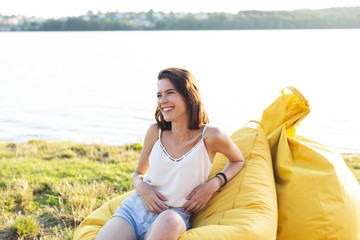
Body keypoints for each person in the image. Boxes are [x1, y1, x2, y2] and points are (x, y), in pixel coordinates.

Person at [95, 67, 245, 240]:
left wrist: (213, 185)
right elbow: (138, 173)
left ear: (188, 96)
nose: (162, 100)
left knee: (170, 221)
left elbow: (238, 160)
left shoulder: (211, 136)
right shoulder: (155, 132)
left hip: (173, 216)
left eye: (169, 93)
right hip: (135, 210)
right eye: (159, 95)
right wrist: (143, 188)